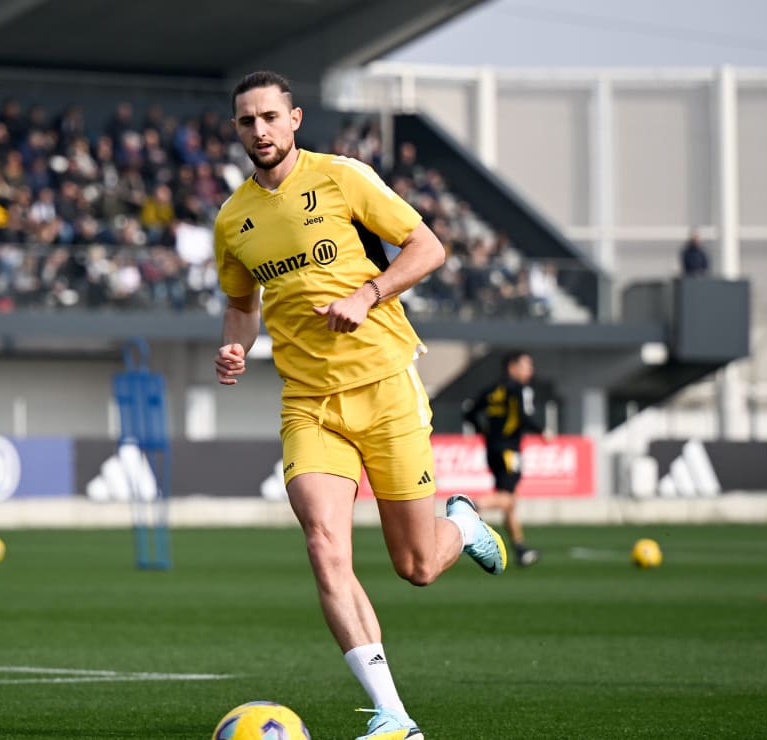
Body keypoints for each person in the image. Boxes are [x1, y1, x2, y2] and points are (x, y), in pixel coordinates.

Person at [213, 70, 507, 740]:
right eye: (245, 122)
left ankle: (461, 524)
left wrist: (367, 296)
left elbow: (428, 246)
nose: (257, 131)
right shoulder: (232, 220)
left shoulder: (343, 176)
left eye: (268, 117)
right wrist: (234, 348)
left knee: (418, 567)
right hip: (309, 404)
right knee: (324, 546)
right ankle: (394, 715)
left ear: (293, 118)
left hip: (385, 389)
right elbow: (239, 306)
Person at [464, 350, 548, 567]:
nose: (531, 370)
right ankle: (471, 505)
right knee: (508, 498)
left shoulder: (492, 389)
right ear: (512, 367)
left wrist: (484, 431)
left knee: (510, 500)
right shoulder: (518, 388)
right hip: (509, 450)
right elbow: (523, 415)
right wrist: (541, 430)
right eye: (526, 365)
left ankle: (520, 550)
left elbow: (470, 412)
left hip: (492, 448)